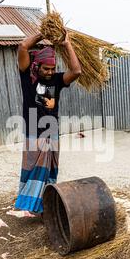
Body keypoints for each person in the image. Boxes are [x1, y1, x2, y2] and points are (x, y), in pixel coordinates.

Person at [14, 32, 81, 216]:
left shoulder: (57, 80)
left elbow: (76, 71)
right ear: (37, 66)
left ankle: (46, 205)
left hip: (51, 132)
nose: (50, 72)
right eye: (46, 69)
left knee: (50, 171)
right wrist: (43, 33)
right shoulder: (28, 77)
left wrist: (66, 44)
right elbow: (23, 47)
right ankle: (31, 203)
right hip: (33, 133)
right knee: (31, 170)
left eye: (53, 68)